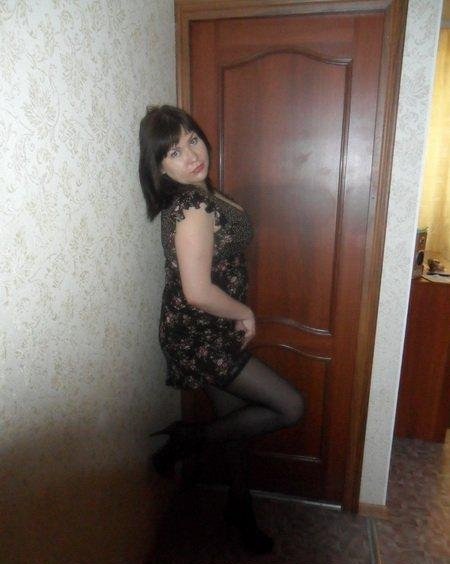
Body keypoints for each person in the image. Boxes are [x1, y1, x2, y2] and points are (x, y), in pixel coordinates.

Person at [139, 105, 304, 554]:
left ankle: (239, 509)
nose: (192, 155)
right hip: (197, 333)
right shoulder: (192, 206)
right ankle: (189, 438)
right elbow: (196, 292)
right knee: (290, 406)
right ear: (160, 168)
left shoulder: (205, 193)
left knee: (236, 428)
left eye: (192, 139)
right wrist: (244, 312)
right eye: (174, 151)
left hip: (214, 327)